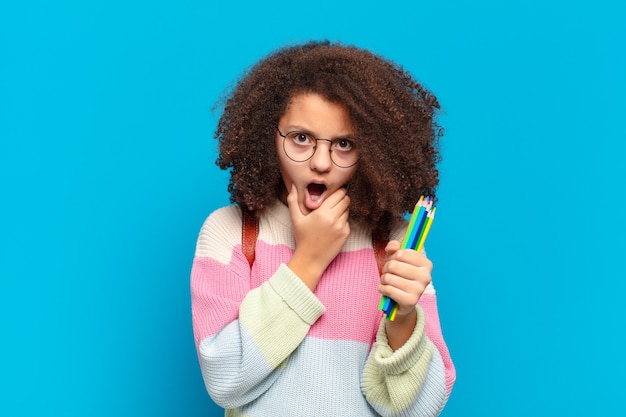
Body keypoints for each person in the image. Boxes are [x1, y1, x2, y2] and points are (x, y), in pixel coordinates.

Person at [191, 40, 455, 416]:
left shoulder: (394, 243)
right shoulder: (231, 233)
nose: (320, 162)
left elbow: (417, 410)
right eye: (301, 138)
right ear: (269, 136)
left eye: (344, 144)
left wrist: (405, 322)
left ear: (373, 151)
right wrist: (310, 260)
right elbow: (225, 379)